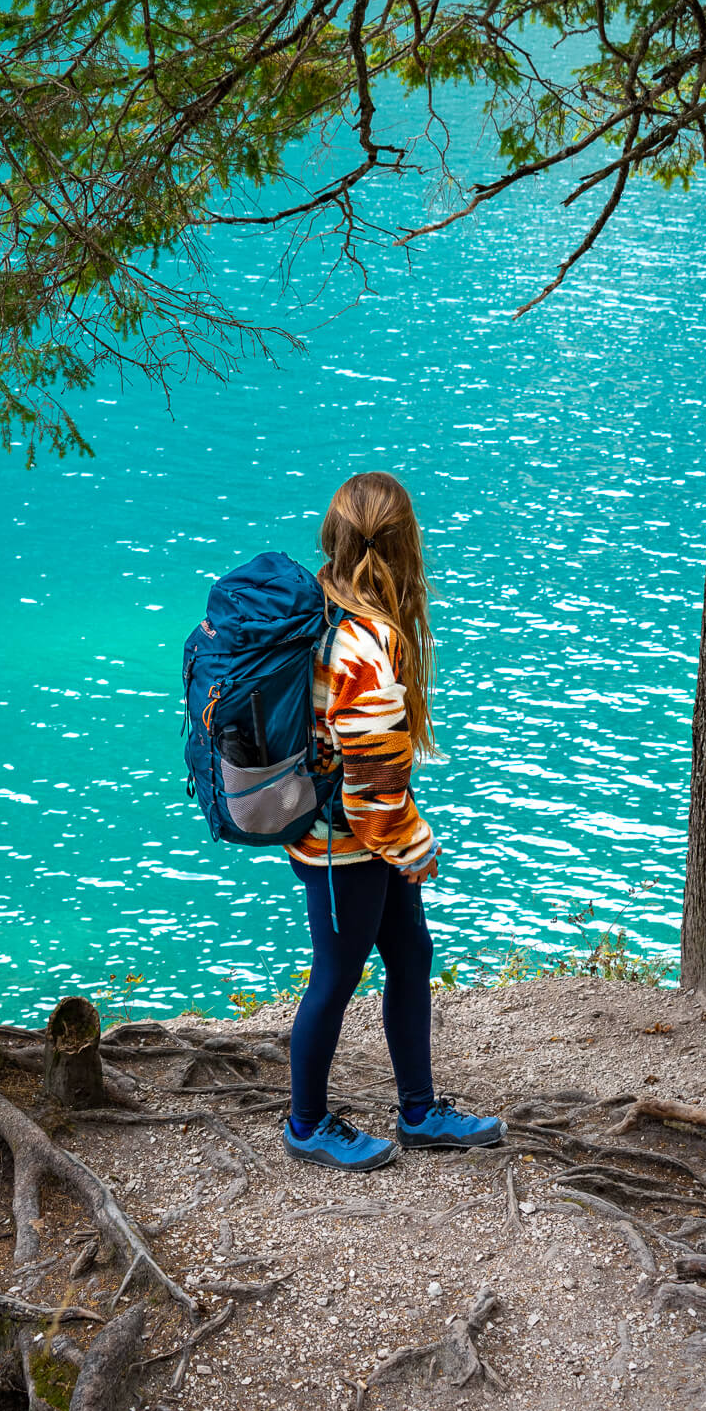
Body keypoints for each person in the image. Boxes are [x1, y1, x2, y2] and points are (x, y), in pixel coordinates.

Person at [281, 470, 504, 1171]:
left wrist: (398, 842)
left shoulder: (324, 608)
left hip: (352, 839)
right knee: (335, 978)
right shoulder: (363, 646)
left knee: (409, 957)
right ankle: (306, 1124)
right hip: (346, 847)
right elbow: (370, 785)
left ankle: (419, 1111)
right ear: (406, 544)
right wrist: (413, 846)